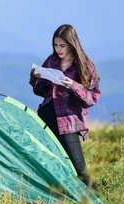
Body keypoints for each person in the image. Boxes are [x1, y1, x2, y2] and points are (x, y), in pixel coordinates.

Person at [29, 24, 101, 192]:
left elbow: (92, 98)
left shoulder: (85, 65)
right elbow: (41, 91)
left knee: (80, 168)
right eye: (55, 45)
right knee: (47, 162)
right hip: (46, 116)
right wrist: (35, 77)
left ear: (71, 44)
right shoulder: (51, 60)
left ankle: (98, 201)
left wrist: (74, 86)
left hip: (68, 121)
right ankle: (57, 199)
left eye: (62, 45)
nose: (58, 49)